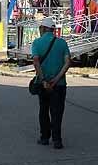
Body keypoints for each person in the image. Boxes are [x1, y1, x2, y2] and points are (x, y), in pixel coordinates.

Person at [31, 16, 70, 150]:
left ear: (43, 29)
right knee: (57, 112)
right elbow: (67, 63)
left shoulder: (36, 43)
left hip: (43, 85)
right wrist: (57, 78)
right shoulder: (62, 43)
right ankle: (57, 140)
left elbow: (36, 61)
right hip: (59, 85)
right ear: (53, 30)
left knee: (44, 110)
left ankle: (44, 137)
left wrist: (43, 80)